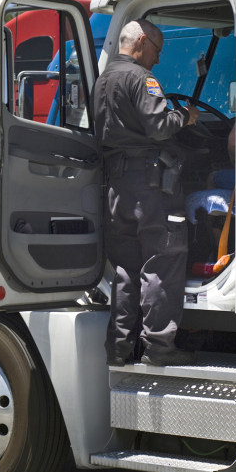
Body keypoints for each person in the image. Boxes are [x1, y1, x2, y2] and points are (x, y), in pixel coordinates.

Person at [93, 19, 200, 367]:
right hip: (151, 187)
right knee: (161, 264)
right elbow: (158, 127)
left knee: (125, 270)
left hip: (116, 189)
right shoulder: (143, 79)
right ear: (141, 41)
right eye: (157, 49)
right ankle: (158, 349)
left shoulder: (103, 80)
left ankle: (120, 348)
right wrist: (184, 116)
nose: (157, 59)